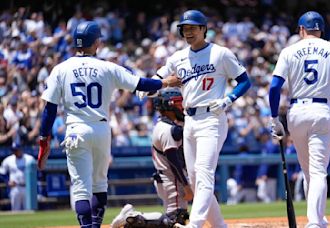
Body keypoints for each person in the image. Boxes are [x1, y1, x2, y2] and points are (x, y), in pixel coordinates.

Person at [37, 21, 180, 228]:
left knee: (80, 188)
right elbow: (141, 84)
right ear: (96, 42)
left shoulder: (60, 69)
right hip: (101, 128)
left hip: (76, 129)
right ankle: (95, 226)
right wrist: (165, 82)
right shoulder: (107, 67)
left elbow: (49, 109)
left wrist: (44, 139)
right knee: (99, 184)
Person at [153, 10, 251, 228]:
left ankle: (195, 224)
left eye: (192, 28)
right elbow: (158, 77)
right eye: (184, 28)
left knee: (205, 174)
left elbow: (244, 81)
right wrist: (145, 86)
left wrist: (229, 99)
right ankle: (219, 226)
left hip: (213, 118)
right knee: (196, 181)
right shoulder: (178, 57)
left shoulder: (220, 53)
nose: (188, 32)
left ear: (203, 29)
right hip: (190, 121)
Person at [268, 11, 330, 227]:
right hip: (323, 110)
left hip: (296, 113)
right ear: (320, 30)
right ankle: (315, 222)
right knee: (319, 170)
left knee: (308, 171)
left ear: (301, 29)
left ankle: (318, 218)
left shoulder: (289, 51)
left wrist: (274, 118)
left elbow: (275, 87)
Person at [111, 88, 193, 228]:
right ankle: (134, 217)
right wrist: (186, 186)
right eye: (178, 102)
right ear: (169, 106)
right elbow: (174, 161)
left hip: (166, 178)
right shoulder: (167, 129)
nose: (182, 106)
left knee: (178, 218)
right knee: (176, 220)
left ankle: (134, 217)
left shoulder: (165, 125)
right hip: (171, 179)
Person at [0, 143, 35, 211]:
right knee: (15, 210)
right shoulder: (8, 160)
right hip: (15, 188)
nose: (15, 152)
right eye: (14, 150)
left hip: (27, 187)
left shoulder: (29, 159)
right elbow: (2, 173)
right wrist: (7, 182)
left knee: (29, 210)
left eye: (17, 150)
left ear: (21, 149)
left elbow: (36, 172)